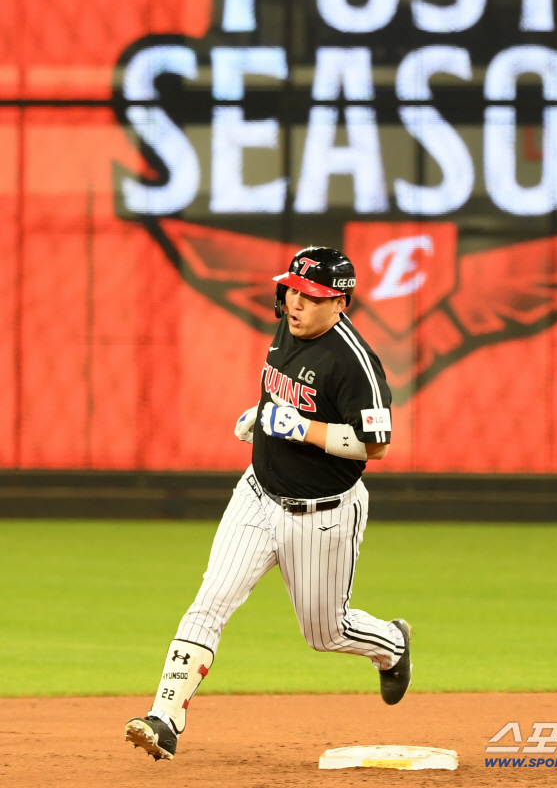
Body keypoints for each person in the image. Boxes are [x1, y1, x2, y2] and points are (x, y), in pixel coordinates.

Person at [125, 246, 411, 761]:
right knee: (210, 601)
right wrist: (261, 415)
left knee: (325, 632)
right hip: (256, 495)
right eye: (293, 291)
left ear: (341, 303)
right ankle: (164, 718)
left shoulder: (354, 363)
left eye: (312, 296)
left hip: (322, 514)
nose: (297, 303)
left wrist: (301, 429)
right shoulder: (289, 326)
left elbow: (377, 445)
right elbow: (284, 389)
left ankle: (391, 643)